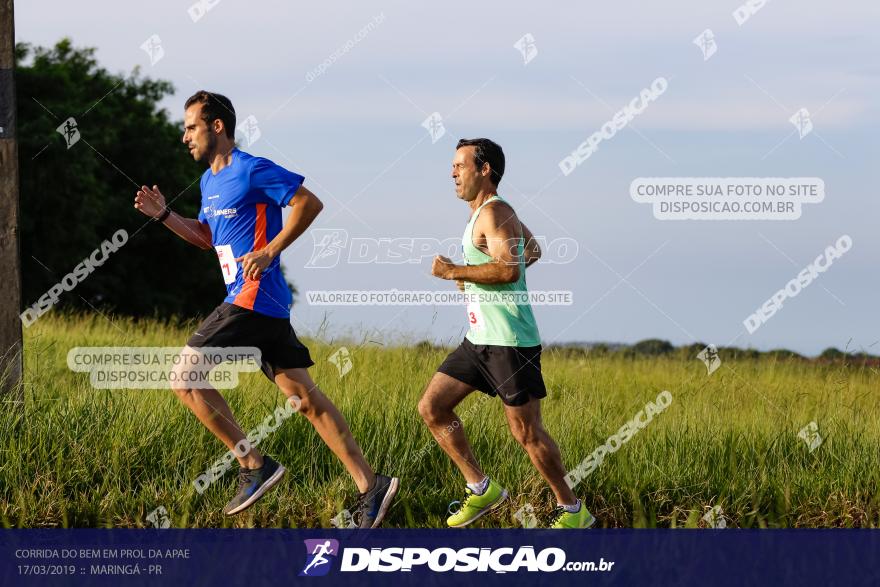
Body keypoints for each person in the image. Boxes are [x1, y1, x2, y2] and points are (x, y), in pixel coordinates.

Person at [134, 90, 398, 526]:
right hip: (265, 305)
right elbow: (207, 238)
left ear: (217, 126)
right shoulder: (208, 183)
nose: (185, 137)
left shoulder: (251, 169)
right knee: (305, 400)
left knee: (184, 379)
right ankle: (372, 485)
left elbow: (308, 203)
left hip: (251, 298)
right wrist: (165, 216)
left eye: (191, 127)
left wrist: (270, 250)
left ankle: (255, 464)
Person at [420, 138, 595, 529]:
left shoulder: (495, 212)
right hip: (479, 339)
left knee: (527, 432)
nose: (452, 172)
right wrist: (473, 277)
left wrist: (456, 272)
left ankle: (573, 511)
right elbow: (530, 250)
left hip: (510, 342)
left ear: (484, 170)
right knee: (432, 408)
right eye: (452, 166)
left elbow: (511, 268)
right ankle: (481, 489)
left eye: (460, 165)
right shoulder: (486, 214)